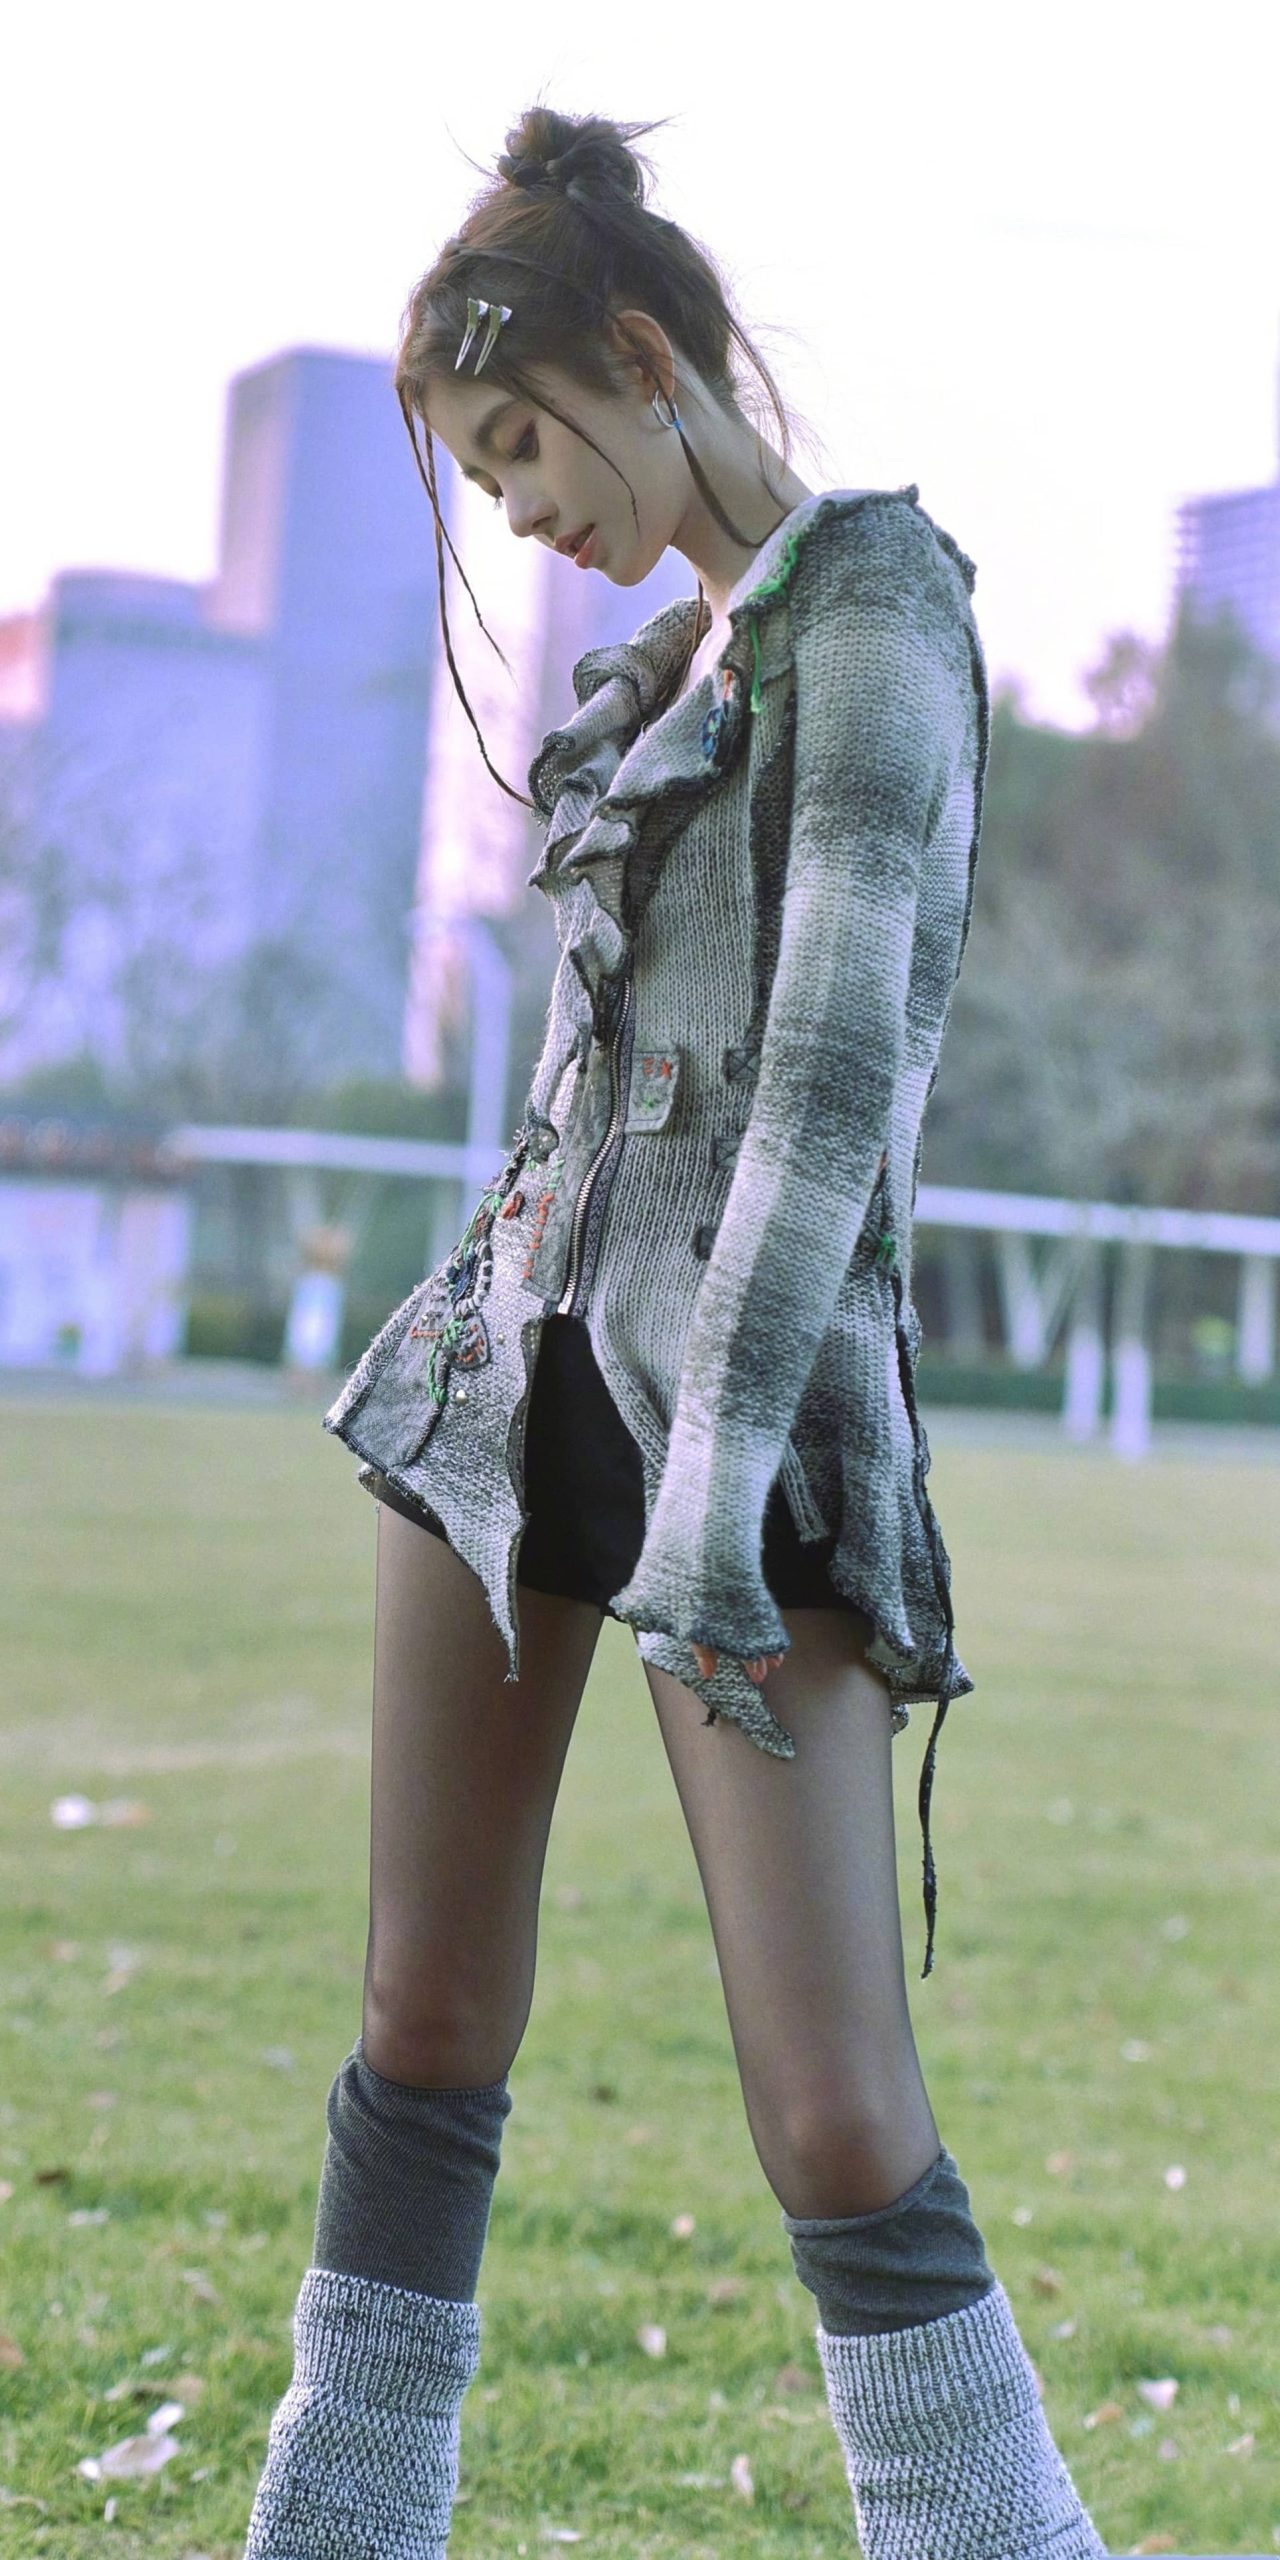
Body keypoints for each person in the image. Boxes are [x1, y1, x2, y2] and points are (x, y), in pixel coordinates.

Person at [243, 106, 1109, 2560]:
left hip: (753, 1433)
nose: (518, 511)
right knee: (422, 2020)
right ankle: (334, 2525)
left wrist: (715, 1509)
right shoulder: (662, 665)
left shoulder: (876, 607)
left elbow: (827, 1105)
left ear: (644, 358)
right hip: (498, 1397)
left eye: (522, 445)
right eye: (482, 473)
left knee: (835, 2108)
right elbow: (578, 1094)